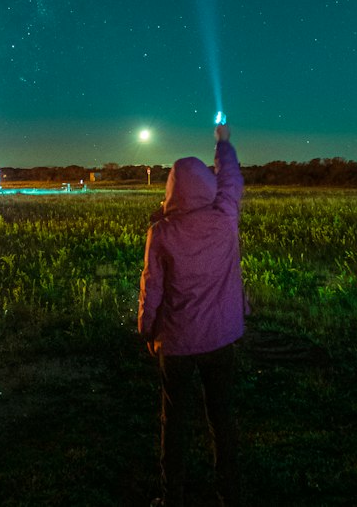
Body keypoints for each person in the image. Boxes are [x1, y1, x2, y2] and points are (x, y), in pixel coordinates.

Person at [139, 122, 245, 507]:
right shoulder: (225, 217)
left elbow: (152, 289)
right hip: (221, 339)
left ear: (171, 189)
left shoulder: (162, 232)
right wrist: (224, 144)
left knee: (174, 422)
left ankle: (172, 497)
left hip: (178, 343)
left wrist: (147, 331)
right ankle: (228, 495)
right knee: (222, 418)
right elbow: (232, 180)